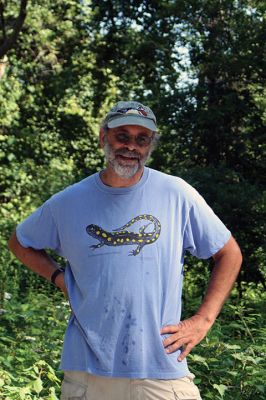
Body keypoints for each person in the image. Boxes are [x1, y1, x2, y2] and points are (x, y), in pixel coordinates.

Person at [8, 100, 242, 400]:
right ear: (104, 137)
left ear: (150, 145)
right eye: (122, 136)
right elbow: (20, 242)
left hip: (160, 365)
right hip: (88, 374)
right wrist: (60, 279)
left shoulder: (176, 192)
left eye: (141, 138)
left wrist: (203, 320)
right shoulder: (68, 202)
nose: (131, 146)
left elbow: (229, 253)